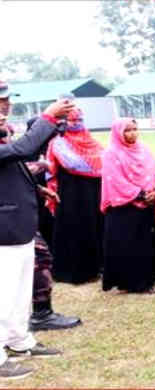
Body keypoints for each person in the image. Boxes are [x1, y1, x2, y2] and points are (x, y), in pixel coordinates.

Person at [0, 98, 73, 380]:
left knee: (18, 291)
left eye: (6, 101)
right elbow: (23, 149)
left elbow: (11, 166)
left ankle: (19, 341)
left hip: (17, 225)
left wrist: (37, 191)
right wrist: (48, 117)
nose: (4, 107)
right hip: (4, 230)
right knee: (3, 293)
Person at [21, 118, 81, 331]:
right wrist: (40, 165)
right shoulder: (17, 146)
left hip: (19, 210)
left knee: (40, 257)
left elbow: (11, 174)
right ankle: (36, 317)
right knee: (33, 260)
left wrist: (39, 189)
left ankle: (41, 313)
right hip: (9, 217)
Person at [100, 119, 155, 294]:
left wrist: (154, 191)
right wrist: (140, 194)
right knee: (131, 245)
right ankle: (135, 283)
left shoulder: (143, 149)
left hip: (148, 202)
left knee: (149, 241)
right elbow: (115, 180)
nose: (132, 133)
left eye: (135, 129)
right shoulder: (111, 153)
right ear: (118, 133)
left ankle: (153, 274)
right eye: (127, 130)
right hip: (124, 207)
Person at [46, 107, 105, 284]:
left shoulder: (91, 140)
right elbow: (71, 164)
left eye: (79, 120)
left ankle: (97, 266)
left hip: (94, 192)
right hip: (71, 194)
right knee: (74, 229)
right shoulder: (58, 142)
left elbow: (104, 159)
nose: (76, 124)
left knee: (94, 227)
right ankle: (74, 272)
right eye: (71, 121)